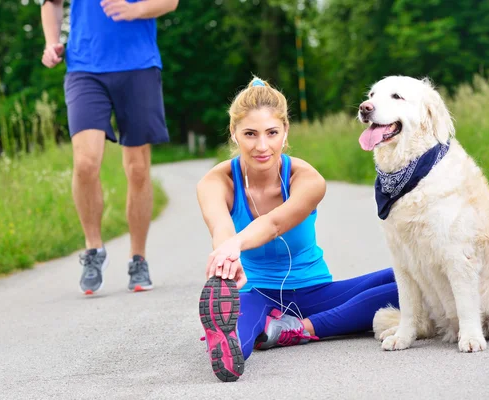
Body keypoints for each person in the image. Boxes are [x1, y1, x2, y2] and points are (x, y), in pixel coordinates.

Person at [196, 77, 400, 382]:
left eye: (271, 133)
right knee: (241, 337)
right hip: (253, 290)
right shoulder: (215, 181)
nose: (262, 146)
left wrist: (233, 246)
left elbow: (275, 222)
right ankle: (233, 336)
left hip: (314, 289)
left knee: (409, 278)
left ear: (285, 132)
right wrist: (227, 256)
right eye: (250, 134)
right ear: (233, 133)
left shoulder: (307, 179)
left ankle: (295, 328)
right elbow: (221, 227)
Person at [40, 0, 179, 294]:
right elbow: (51, 3)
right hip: (84, 67)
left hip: (138, 65)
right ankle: (93, 250)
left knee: (138, 169)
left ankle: (138, 258)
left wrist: (136, 10)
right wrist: (51, 42)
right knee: (86, 163)